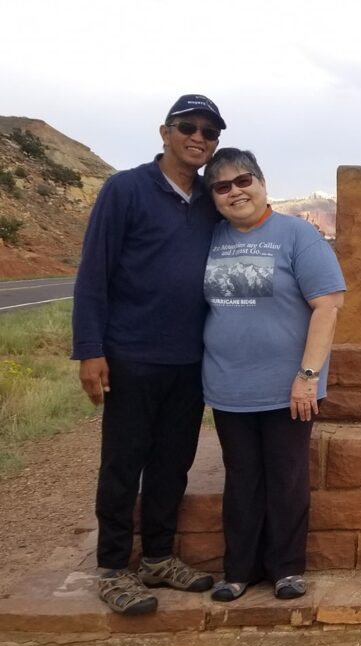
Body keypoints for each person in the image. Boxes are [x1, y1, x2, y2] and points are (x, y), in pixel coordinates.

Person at [72, 95, 226, 614]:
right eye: (189, 126)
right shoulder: (126, 189)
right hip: (131, 353)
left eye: (210, 130)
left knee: (172, 464)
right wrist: (90, 350)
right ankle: (114, 568)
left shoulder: (211, 198)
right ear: (165, 132)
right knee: (123, 463)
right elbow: (94, 273)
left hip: (190, 360)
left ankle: (158, 558)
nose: (199, 137)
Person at [200, 148, 345, 601]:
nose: (235, 192)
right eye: (222, 187)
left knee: (286, 478)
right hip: (229, 386)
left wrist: (307, 375)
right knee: (241, 478)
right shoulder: (210, 238)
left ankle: (286, 568)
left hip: (290, 388)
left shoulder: (297, 234)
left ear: (262, 183)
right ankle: (238, 570)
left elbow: (328, 305)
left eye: (243, 181)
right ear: (214, 198)